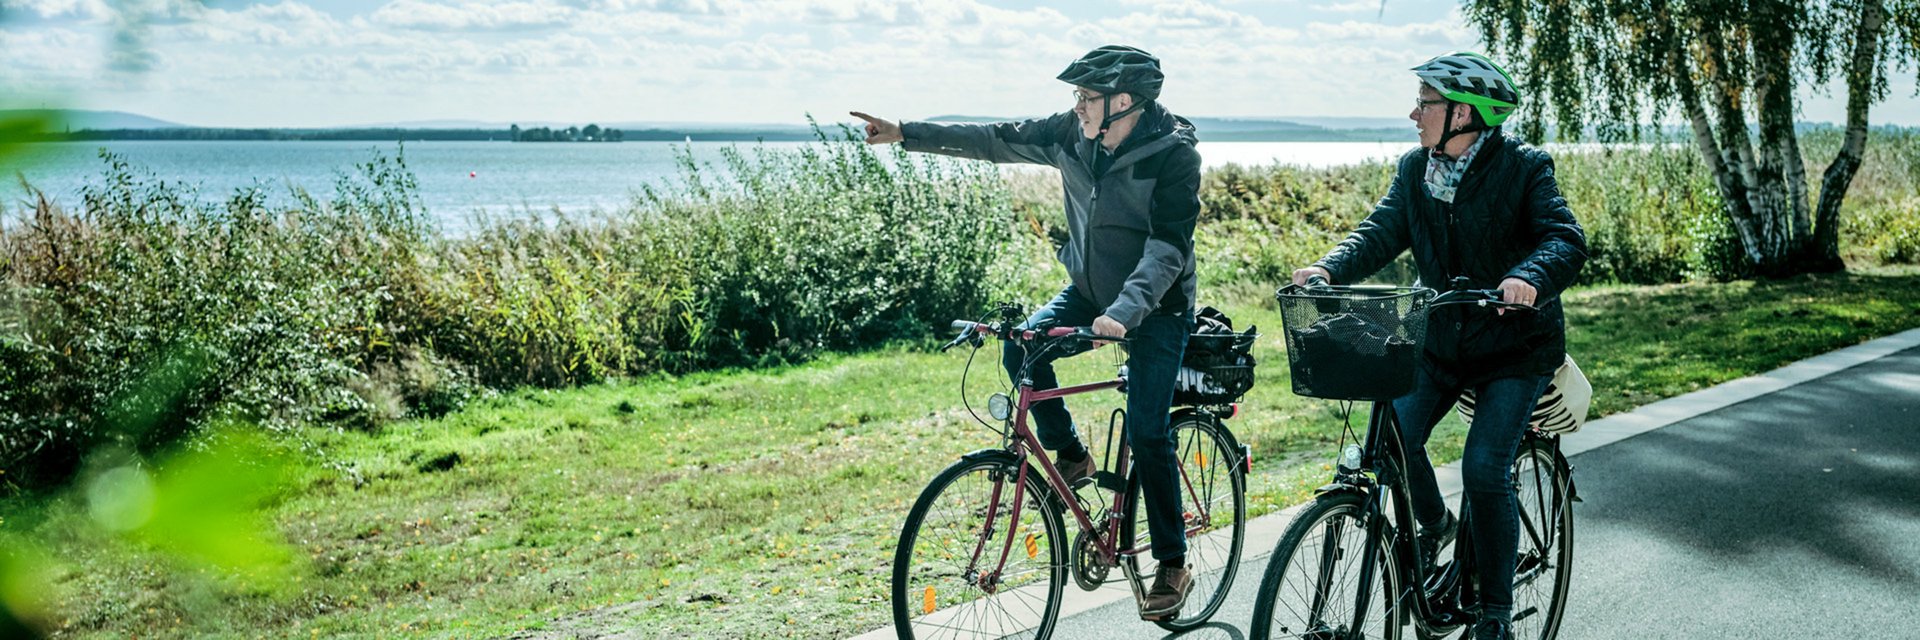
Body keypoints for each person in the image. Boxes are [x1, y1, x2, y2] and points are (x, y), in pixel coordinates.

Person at [852, 44, 1202, 619]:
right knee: (1022, 350)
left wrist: (1125, 312)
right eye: (1079, 97)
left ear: (1125, 101)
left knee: (1147, 430)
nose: (1079, 106)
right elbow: (995, 139)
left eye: (1088, 97)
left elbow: (1168, 248)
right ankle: (1072, 455)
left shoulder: (1173, 157)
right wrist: (905, 132)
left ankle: (1172, 561)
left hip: (1157, 307)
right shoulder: (1071, 134)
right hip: (1091, 293)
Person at [1290, 51, 1587, 640]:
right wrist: (1328, 267)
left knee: (1484, 465)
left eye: (1425, 103)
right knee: (1393, 443)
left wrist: (1530, 276)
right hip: (1440, 340)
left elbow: (1564, 237)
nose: (1414, 113)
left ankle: (1494, 614)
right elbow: (1381, 230)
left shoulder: (1524, 167)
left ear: (1464, 114)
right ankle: (1434, 524)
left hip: (1514, 347)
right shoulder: (1415, 170)